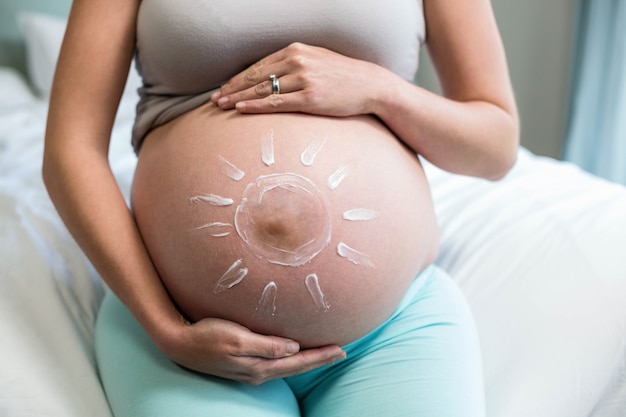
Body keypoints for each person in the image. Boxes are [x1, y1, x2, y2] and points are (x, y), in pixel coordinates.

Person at [43, 0, 519, 415]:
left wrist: (378, 89)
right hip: (185, 333)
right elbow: (71, 150)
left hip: (389, 328)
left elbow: (496, 145)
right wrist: (167, 329)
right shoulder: (173, 333)